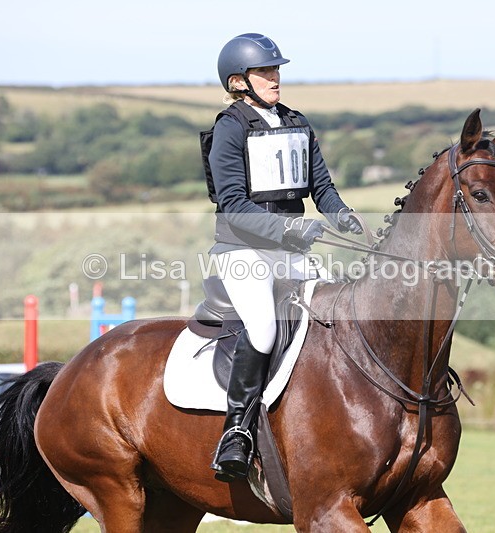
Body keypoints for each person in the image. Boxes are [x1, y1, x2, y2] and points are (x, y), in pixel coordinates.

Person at [201, 32, 363, 482]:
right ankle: (236, 432)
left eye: (276, 70)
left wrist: (342, 215)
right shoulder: (229, 129)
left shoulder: (295, 121)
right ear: (238, 82)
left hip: (290, 251)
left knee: (337, 311)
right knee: (265, 327)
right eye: (265, 71)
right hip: (242, 251)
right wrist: (290, 227)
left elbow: (321, 187)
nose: (275, 78)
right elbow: (233, 203)